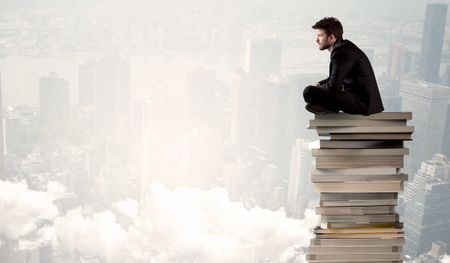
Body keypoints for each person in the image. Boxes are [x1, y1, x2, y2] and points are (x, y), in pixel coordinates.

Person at [303, 17, 384, 115]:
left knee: (308, 92)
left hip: (361, 103)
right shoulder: (344, 47)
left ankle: (329, 106)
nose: (316, 40)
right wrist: (319, 85)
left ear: (331, 37)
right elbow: (333, 78)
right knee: (313, 91)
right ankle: (328, 106)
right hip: (361, 100)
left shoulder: (340, 51)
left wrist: (316, 89)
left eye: (320, 36)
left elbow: (333, 86)